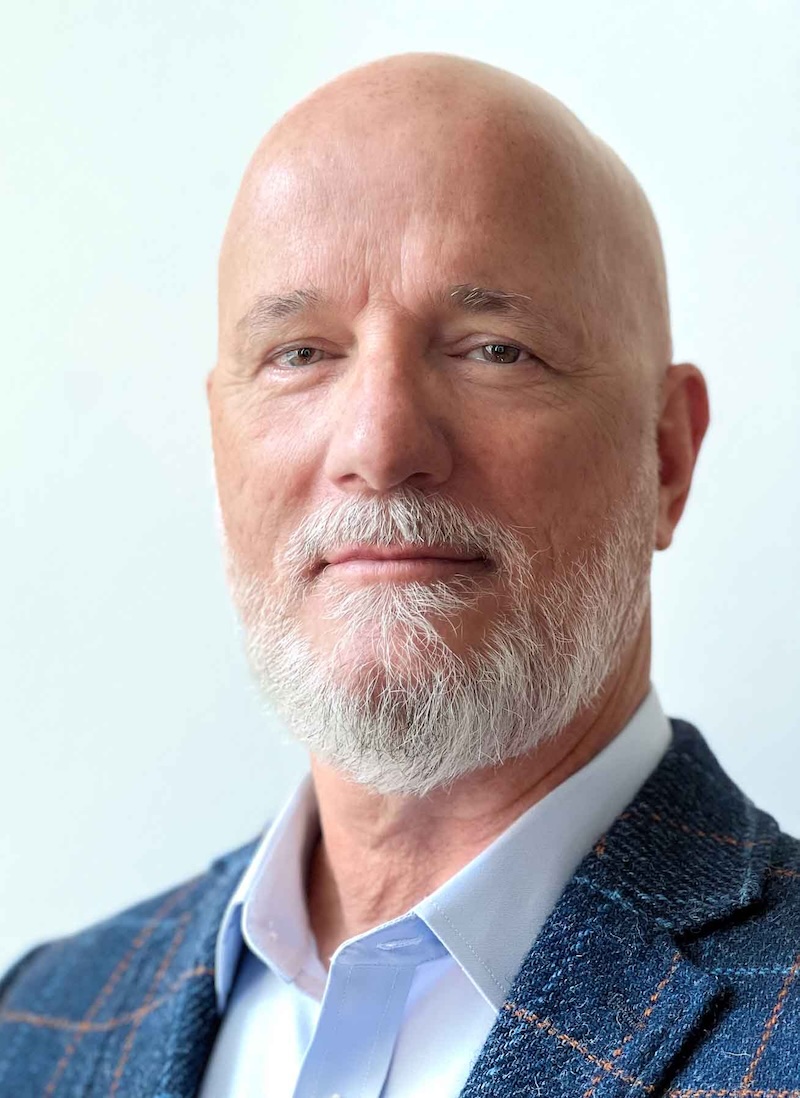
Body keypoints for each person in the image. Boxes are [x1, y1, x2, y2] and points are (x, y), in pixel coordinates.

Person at [1, 51, 798, 1098]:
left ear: (664, 455)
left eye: (492, 349)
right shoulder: (34, 1026)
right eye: (298, 353)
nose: (377, 445)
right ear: (219, 445)